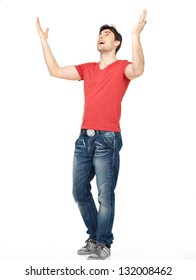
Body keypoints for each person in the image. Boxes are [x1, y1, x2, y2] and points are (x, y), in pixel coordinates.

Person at [36, 9, 147, 260]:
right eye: (99, 34)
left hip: (108, 138)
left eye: (106, 34)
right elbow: (54, 70)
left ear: (116, 43)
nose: (101, 36)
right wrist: (44, 41)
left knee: (105, 196)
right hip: (83, 139)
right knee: (79, 192)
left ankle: (103, 243)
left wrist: (135, 35)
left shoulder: (122, 67)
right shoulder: (87, 69)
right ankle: (95, 237)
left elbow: (138, 69)